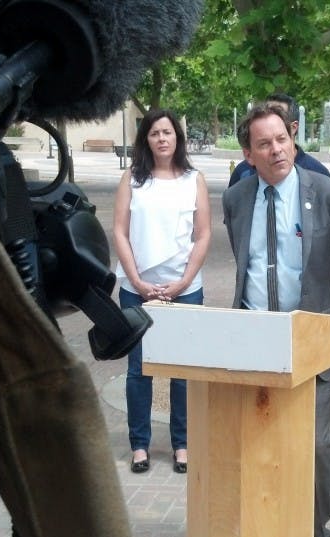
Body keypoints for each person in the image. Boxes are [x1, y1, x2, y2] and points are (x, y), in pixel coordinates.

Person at [222, 104, 330, 537]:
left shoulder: (329, 195)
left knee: (315, 446)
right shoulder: (237, 198)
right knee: (257, 441)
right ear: (248, 152)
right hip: (252, 340)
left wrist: (319, 320)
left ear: (293, 137)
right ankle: (263, 534)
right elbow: (243, 264)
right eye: (264, 143)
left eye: (281, 138)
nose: (276, 149)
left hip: (309, 339)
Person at [113, 109, 211, 474]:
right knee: (139, 370)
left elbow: (203, 235)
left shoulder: (193, 179)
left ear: (177, 138)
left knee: (181, 371)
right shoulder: (132, 180)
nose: (162, 139)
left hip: (184, 289)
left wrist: (184, 281)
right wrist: (136, 280)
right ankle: (139, 445)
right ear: (146, 139)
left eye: (168, 132)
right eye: (154, 133)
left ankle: (181, 444)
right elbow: (120, 231)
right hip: (137, 290)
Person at [228, 93, 330, 186]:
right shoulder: (243, 173)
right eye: (265, 113)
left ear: (293, 128)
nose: (269, 120)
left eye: (278, 115)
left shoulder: (318, 174)